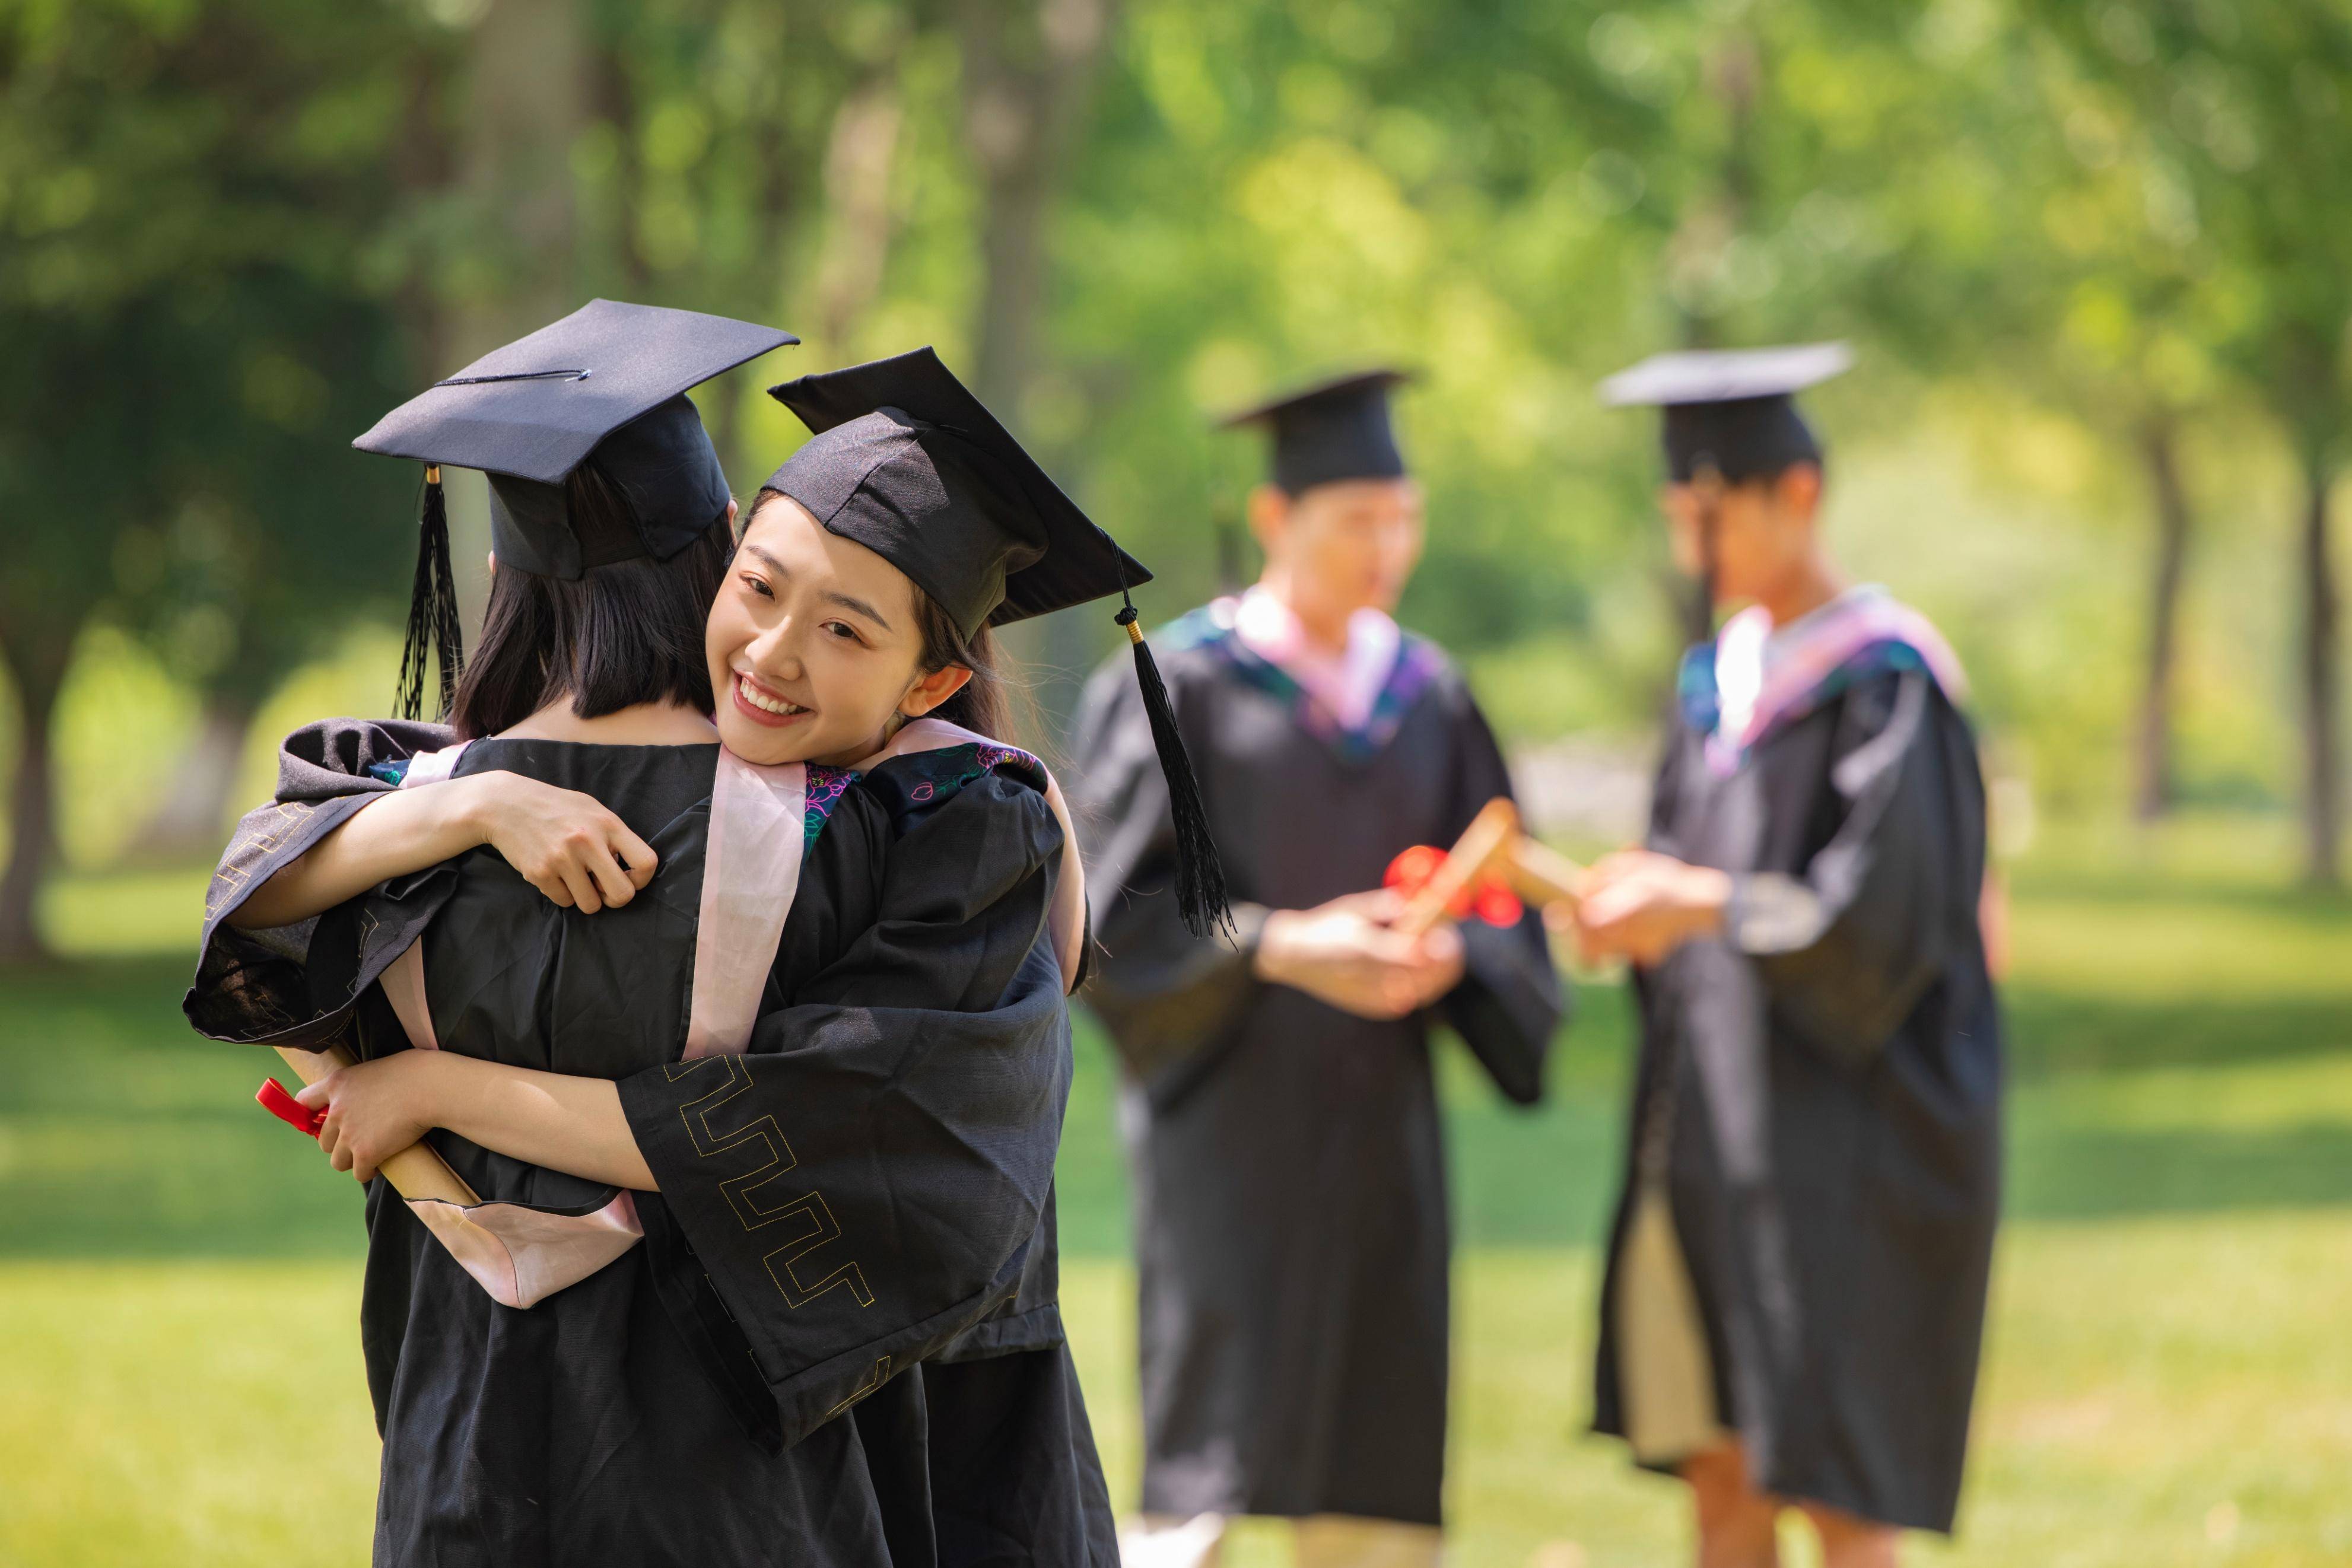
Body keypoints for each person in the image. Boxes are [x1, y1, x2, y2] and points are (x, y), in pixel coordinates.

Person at [187, 314, 1206, 1566]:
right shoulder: (935, 828)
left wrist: (433, 1068)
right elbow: (871, 1139)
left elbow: (255, 913)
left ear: (929, 678)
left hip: (469, 1429)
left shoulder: (409, 814)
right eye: (761, 588)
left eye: (846, 627)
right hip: (779, 1457)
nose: (773, 652)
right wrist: (476, 805)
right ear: (718, 545)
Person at [1070, 369, 1565, 1567]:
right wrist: (1287, 943)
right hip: (1226, 1137)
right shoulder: (1178, 685)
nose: (1385, 547)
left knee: (1376, 1473)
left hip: (1380, 1143)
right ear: (1274, 519)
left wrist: (1452, 949)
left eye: (1403, 516)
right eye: (1357, 520)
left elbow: (1510, 914)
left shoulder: (1430, 698)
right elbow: (1109, 917)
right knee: (1208, 1469)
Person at [1574, 344, 2001, 1567]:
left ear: (1795, 492)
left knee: (1836, 1487)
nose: (1688, 543)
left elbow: (1877, 923)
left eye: (1707, 512)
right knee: (1720, 1472)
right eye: (1675, 515)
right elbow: (1682, 882)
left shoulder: (1884, 680)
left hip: (1848, 1147)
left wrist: (1694, 900)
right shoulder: (1715, 682)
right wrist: (1627, 909)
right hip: (1713, 1132)